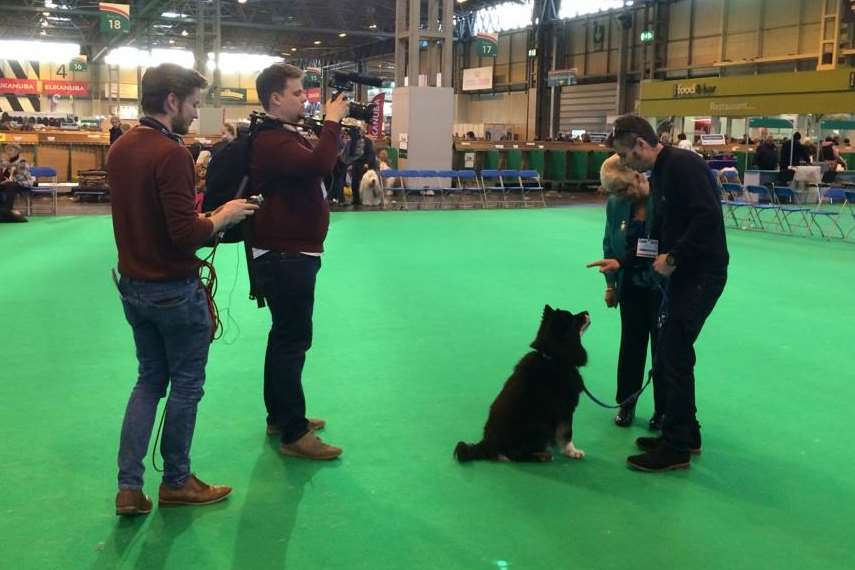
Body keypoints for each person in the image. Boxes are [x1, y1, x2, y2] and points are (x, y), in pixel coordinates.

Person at [108, 63, 258, 516]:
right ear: (172, 100)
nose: (195, 113)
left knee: (149, 381)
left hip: (133, 285)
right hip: (172, 289)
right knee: (187, 385)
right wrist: (224, 215)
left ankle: (129, 487)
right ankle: (177, 480)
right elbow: (184, 233)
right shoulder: (171, 154)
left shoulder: (121, 148)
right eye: (193, 103)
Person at [608, 114, 728, 473]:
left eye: (626, 156)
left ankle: (675, 447)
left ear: (641, 146)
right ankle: (685, 434)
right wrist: (623, 263)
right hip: (683, 275)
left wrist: (674, 257)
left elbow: (707, 217)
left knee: (672, 353)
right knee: (672, 352)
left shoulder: (682, 165)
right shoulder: (660, 175)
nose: (626, 164)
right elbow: (654, 237)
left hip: (701, 273)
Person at [249, 62, 348, 460]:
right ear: (275, 98)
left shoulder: (282, 136)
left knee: (284, 337)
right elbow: (318, 166)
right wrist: (332, 123)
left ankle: (281, 416)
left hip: (288, 251)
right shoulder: (272, 140)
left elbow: (321, 167)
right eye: (296, 92)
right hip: (286, 255)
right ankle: (294, 431)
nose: (304, 97)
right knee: (292, 341)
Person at [587, 154, 665, 430]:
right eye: (616, 192)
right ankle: (627, 403)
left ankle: (663, 410)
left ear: (637, 175)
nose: (622, 195)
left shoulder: (663, 199)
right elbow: (609, 243)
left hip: (662, 287)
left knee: (663, 349)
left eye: (623, 188)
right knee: (631, 346)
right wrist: (610, 284)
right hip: (630, 284)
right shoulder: (617, 204)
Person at [0, 143, 33, 223]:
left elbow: (21, 177)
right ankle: (2, 209)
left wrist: (10, 180)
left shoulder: (22, 162)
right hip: (9, 184)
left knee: (11, 185)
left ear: (17, 151)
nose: (8, 152)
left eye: (11, 150)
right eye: (7, 151)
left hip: (23, 183)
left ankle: (8, 209)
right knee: (5, 186)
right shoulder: (6, 163)